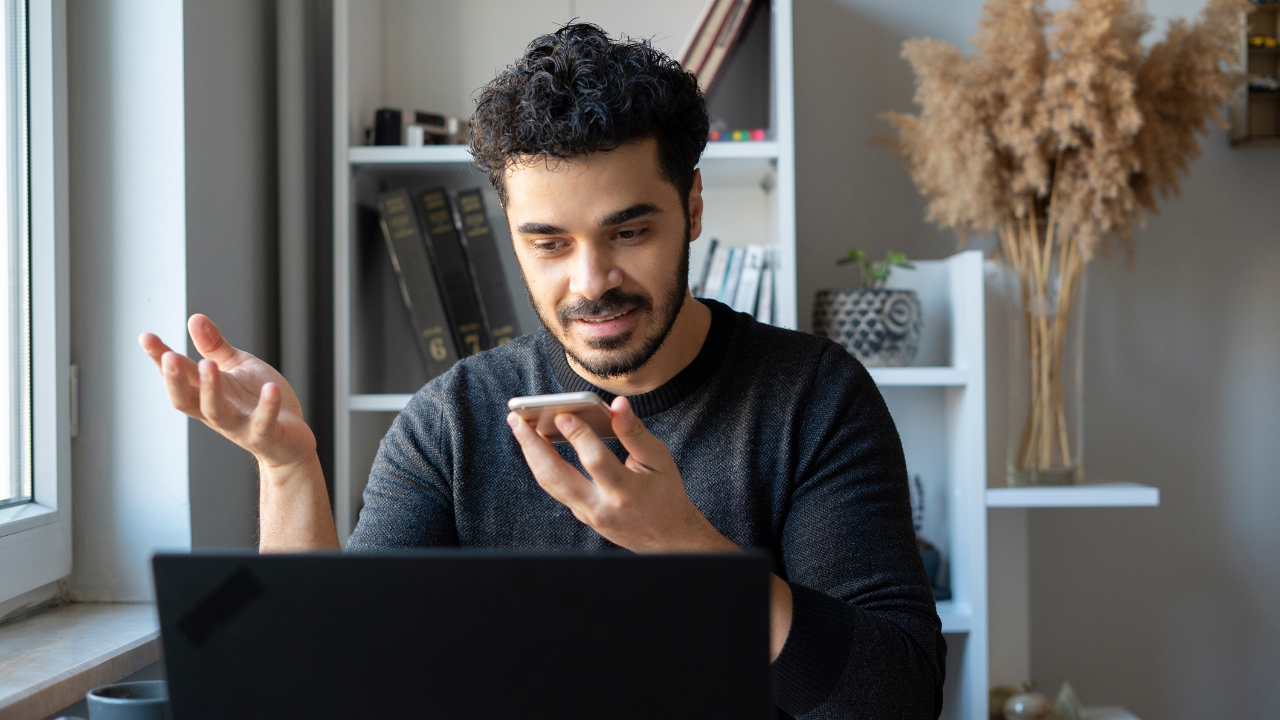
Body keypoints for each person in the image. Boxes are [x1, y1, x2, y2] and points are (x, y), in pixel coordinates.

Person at [139, 24, 944, 720]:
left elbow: (896, 699)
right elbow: (330, 686)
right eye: (550, 243)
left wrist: (687, 548)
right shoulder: (451, 422)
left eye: (628, 232)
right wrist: (287, 468)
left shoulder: (813, 397)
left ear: (693, 207)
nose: (591, 281)